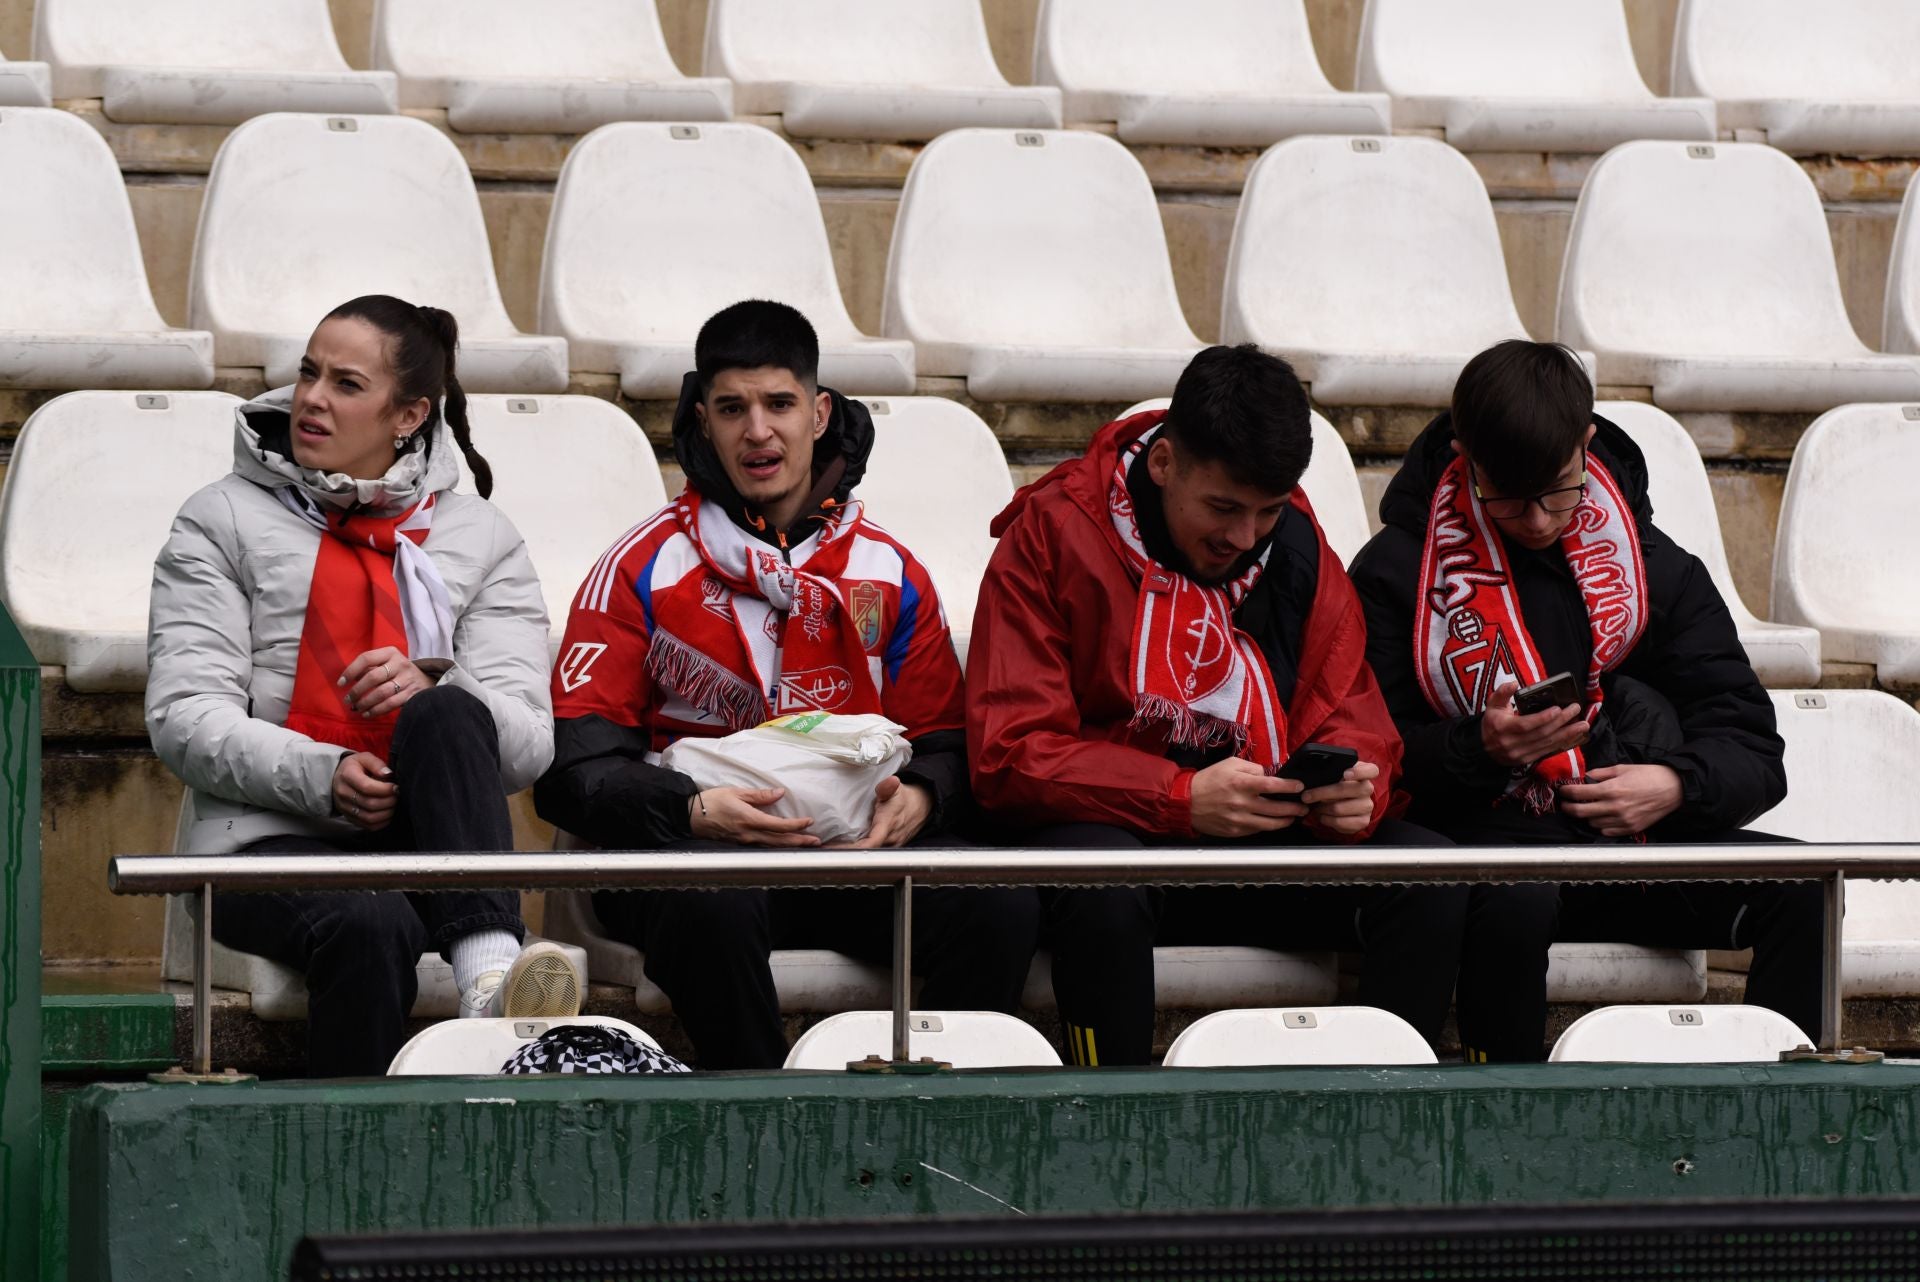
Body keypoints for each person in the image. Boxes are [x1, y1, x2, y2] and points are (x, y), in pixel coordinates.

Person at [534, 300, 1038, 1070]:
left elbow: (950, 745)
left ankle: (927, 1114)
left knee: (998, 903)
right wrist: (692, 809)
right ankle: (769, 1119)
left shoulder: (889, 572)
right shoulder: (640, 566)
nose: (757, 431)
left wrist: (923, 795)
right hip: (697, 856)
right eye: (732, 408)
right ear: (702, 420)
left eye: (779, 404)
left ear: (819, 413)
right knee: (715, 907)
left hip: (853, 860)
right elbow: (572, 774)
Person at [967, 344, 1466, 1067]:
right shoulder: (1053, 531)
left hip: (1262, 833)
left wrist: (1359, 789)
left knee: (1432, 876)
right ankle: (1115, 1113)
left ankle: (1382, 1113)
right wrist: (1179, 798)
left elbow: (1351, 712)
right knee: (1101, 877)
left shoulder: (1296, 543)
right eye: (1223, 508)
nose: (1243, 538)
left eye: (1267, 511)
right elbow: (1010, 753)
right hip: (1125, 837)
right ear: (1163, 463)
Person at [1347, 339, 1820, 1061]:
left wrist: (1673, 785)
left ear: (1586, 442)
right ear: (1465, 455)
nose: (1539, 519)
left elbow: (1752, 746)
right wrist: (1479, 747)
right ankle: (1502, 1108)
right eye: (1510, 495)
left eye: (1559, 489)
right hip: (1490, 846)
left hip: (1633, 842)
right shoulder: (1397, 571)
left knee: (1806, 887)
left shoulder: (1653, 567)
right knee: (1514, 892)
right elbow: (1371, 763)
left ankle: (1784, 1108)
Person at [147, 295, 580, 1078]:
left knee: (448, 708)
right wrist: (327, 774)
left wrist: (436, 675)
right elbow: (186, 717)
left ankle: (489, 975)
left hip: (428, 842)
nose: (312, 398)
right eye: (308, 373)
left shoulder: (482, 537)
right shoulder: (219, 519)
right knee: (369, 924)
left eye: (346, 384)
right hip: (262, 846)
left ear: (409, 415)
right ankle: (350, 1143)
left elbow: (525, 748)